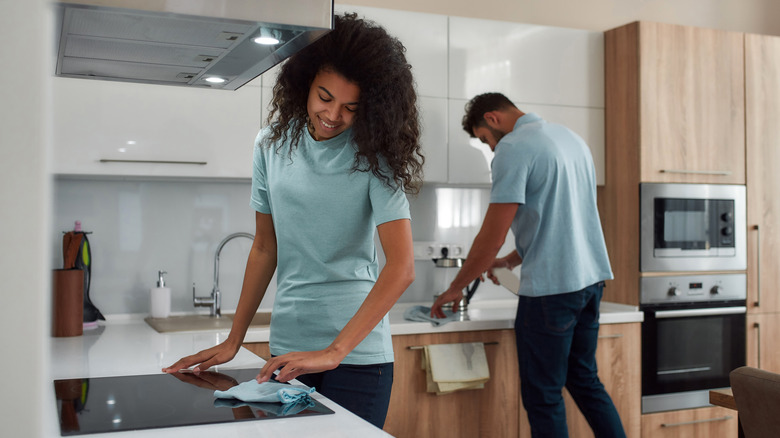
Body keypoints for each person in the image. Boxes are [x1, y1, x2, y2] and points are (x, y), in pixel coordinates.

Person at [163, 13, 423, 429]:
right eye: (324, 97)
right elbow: (266, 247)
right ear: (305, 82)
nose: (333, 115)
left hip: (356, 358)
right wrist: (235, 339)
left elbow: (402, 267)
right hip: (288, 350)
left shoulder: (375, 157)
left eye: (350, 107)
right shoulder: (269, 144)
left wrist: (334, 352)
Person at [431, 93, 625, 438]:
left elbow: (491, 236)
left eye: (485, 140)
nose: (490, 149)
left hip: (553, 293)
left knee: (543, 397)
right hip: (591, 282)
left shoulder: (514, 147)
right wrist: (511, 259)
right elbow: (561, 220)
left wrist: (456, 286)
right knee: (585, 380)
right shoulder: (571, 139)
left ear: (492, 118)